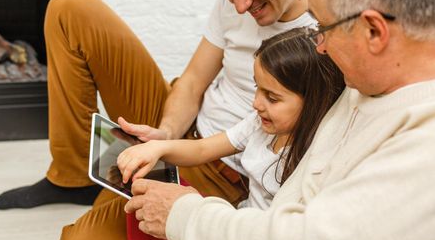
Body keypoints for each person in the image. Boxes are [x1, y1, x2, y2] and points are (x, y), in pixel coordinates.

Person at [0, 0, 313, 240]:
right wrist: (165, 133)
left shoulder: (325, 35)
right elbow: (192, 82)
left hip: (225, 168)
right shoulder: (235, 1)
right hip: (180, 125)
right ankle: (71, 178)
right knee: (71, 7)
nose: (238, 4)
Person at [124, 0, 435, 240]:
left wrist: (183, 214)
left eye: (323, 27)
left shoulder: (422, 145)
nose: (319, 46)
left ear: (374, 32)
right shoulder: (367, 83)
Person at [118, 28, 345, 212]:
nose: (256, 103)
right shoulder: (258, 124)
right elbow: (203, 149)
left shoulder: (315, 159)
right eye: (257, 88)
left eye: (272, 98)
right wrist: (158, 148)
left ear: (314, 101)